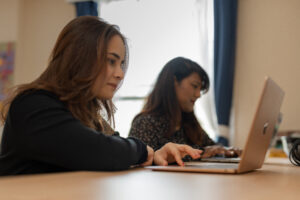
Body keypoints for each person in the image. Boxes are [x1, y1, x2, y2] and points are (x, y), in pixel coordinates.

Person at [0, 17, 202, 176]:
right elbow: (99, 150)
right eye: (111, 61)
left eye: (121, 63)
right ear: (79, 58)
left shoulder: (88, 114)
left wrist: (156, 154)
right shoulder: (33, 104)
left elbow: (114, 146)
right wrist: (143, 150)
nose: (120, 73)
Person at [129, 57, 241, 159]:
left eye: (200, 89)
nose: (198, 95)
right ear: (174, 82)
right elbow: (140, 163)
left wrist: (226, 150)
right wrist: (203, 152)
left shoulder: (189, 124)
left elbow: (212, 147)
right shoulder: (145, 124)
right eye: (194, 86)